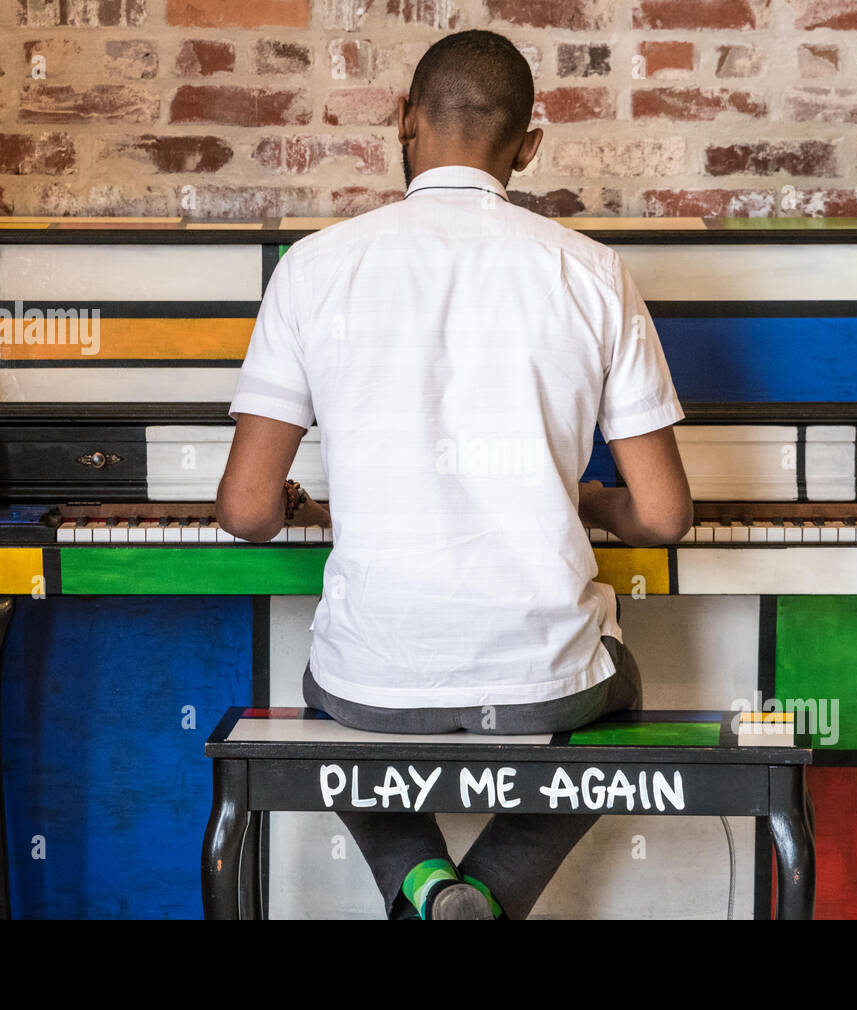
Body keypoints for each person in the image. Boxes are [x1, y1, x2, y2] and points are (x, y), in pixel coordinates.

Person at [217, 29, 691, 921]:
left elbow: (245, 513)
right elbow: (664, 517)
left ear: (401, 119)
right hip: (545, 672)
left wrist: (292, 502)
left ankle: (427, 884)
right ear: (529, 147)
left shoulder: (313, 269)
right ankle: (488, 891)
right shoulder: (591, 271)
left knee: (331, 691)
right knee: (621, 690)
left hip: (374, 674)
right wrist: (590, 500)